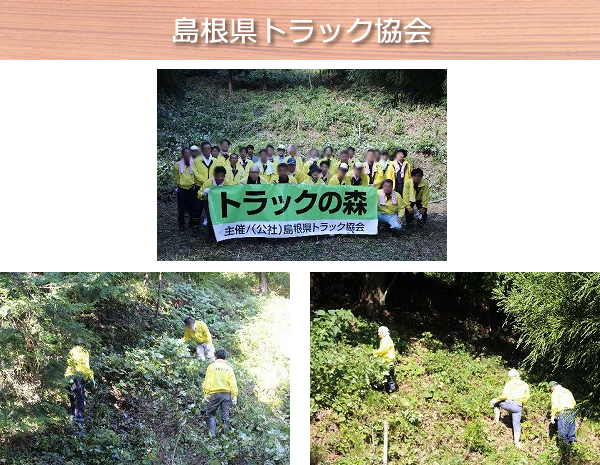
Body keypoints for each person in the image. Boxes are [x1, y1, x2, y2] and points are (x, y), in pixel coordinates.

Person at [490, 369, 530, 449]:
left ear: (510, 377)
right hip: (518, 406)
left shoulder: (509, 383)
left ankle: (496, 422)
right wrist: (522, 404)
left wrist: (497, 399)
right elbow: (527, 397)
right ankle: (517, 443)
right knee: (516, 424)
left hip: (509, 404)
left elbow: (505, 395)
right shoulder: (525, 384)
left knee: (496, 403)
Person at [203, 349, 238, 438]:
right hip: (226, 395)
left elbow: (207, 381)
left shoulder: (211, 367)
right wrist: (234, 396)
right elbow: (233, 383)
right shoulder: (229, 368)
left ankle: (212, 435)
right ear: (225, 358)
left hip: (215, 394)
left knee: (211, 414)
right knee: (225, 416)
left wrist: (206, 394)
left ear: (215, 357)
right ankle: (224, 436)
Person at [64, 341, 95, 433]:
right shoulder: (84, 352)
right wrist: (91, 378)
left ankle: (71, 424)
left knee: (72, 401)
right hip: (78, 377)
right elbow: (85, 366)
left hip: (67, 377)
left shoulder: (72, 350)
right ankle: (79, 430)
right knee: (79, 401)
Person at [199, 166, 230, 241]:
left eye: (222, 176)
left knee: (223, 219)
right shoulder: (209, 182)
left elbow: (234, 190)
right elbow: (199, 194)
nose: (220, 178)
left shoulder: (228, 182)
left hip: (222, 203)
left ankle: (223, 236)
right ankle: (211, 236)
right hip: (210, 203)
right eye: (219, 176)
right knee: (211, 220)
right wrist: (204, 193)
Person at [192, 141, 216, 229]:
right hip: (200, 186)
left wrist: (211, 182)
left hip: (213, 187)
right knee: (197, 207)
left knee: (211, 207)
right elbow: (195, 173)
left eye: (209, 148)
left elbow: (217, 173)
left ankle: (211, 227)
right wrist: (206, 182)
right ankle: (195, 226)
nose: (207, 150)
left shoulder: (215, 161)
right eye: (205, 148)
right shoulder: (196, 161)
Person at [173, 147, 196, 231]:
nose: (187, 155)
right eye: (185, 153)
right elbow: (175, 176)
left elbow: (196, 175)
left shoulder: (194, 163)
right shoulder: (177, 164)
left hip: (191, 188)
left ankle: (192, 223)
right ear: (183, 154)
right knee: (181, 207)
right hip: (182, 188)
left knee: (192, 207)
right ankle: (181, 224)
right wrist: (179, 183)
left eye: (189, 153)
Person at [373, 326, 397, 393]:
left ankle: (392, 391)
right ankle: (389, 390)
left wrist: (374, 353)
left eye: (379, 332)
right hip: (389, 361)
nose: (378, 334)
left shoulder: (386, 340)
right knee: (389, 377)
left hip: (388, 361)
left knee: (389, 377)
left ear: (383, 332)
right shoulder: (387, 339)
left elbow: (383, 350)